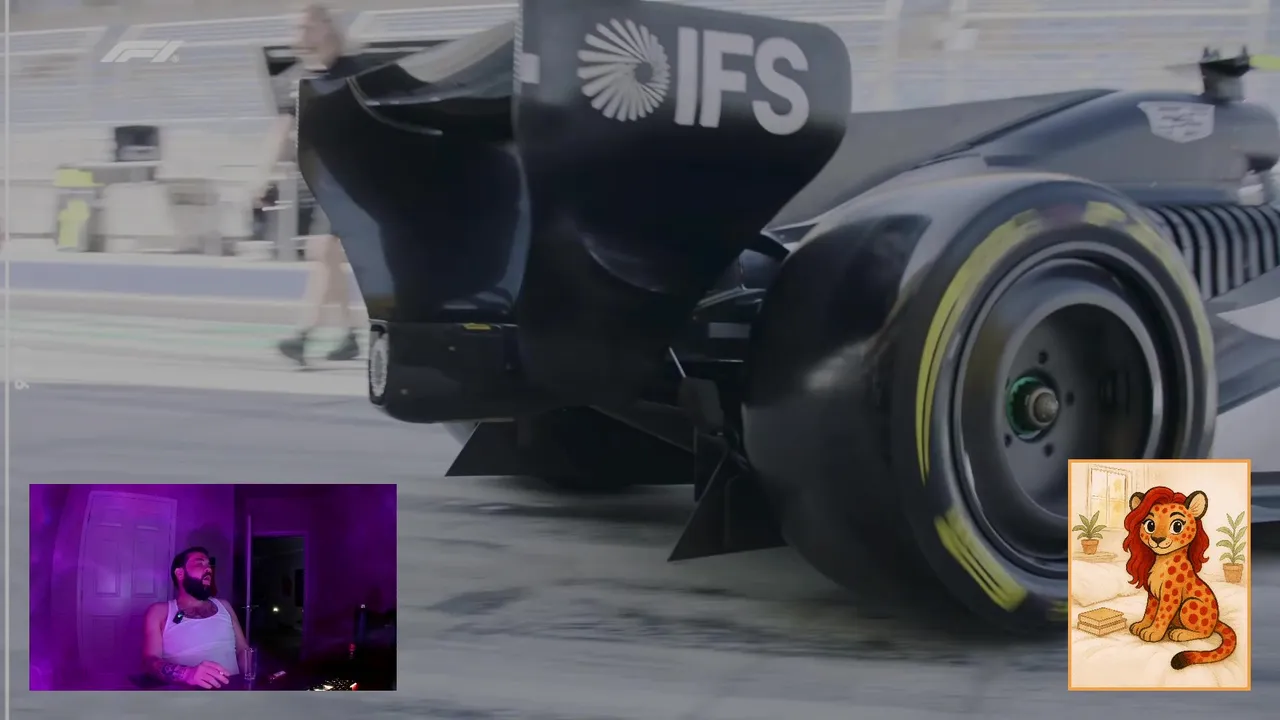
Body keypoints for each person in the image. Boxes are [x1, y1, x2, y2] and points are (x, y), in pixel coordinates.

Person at [257, 3, 367, 365]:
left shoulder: (358, 73)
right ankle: (349, 336)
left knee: (322, 250)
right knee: (325, 255)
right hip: (326, 181)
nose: (298, 35)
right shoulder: (294, 81)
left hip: (359, 180)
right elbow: (281, 132)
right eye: (295, 28)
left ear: (325, 27)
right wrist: (262, 176)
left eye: (305, 26)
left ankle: (303, 334)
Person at [141, 547, 249, 688]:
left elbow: (243, 650)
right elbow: (149, 662)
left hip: (232, 692)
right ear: (180, 573)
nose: (209, 569)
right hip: (186, 696)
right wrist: (187, 674)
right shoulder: (159, 612)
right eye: (200, 563)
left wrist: (252, 681)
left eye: (209, 564)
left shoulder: (225, 606)